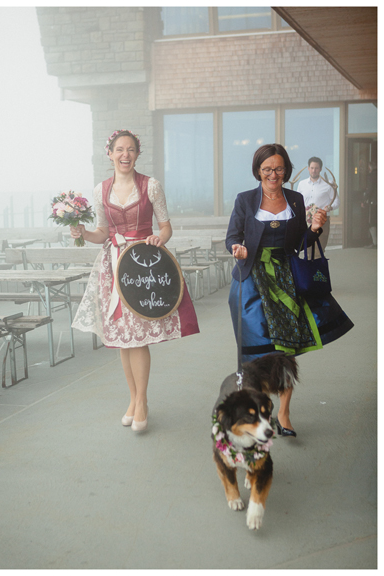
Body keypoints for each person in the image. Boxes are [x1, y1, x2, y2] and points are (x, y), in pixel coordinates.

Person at [70, 129, 200, 432]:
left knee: (138, 335)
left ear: (137, 154)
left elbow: (166, 227)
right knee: (122, 338)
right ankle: (133, 398)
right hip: (113, 264)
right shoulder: (101, 190)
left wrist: (158, 237)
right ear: (110, 154)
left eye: (130, 150)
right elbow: (102, 232)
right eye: (119, 149)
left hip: (143, 266)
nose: (125, 155)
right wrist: (83, 233)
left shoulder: (151, 186)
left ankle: (142, 401)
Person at [226, 143, 353, 438]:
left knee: (287, 350)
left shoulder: (295, 200)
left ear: (286, 170)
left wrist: (316, 229)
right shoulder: (245, 200)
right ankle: (257, 409)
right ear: (258, 170)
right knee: (255, 352)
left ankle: (283, 412)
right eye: (267, 168)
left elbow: (301, 243)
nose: (273, 174)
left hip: (285, 278)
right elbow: (232, 236)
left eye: (279, 168)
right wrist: (237, 248)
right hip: (251, 279)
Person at [297, 156, 338, 248]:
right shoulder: (301, 184)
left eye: (316, 168)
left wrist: (330, 207)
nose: (313, 170)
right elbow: (298, 202)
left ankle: (319, 262)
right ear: (308, 168)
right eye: (311, 168)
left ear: (320, 169)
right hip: (306, 221)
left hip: (321, 220)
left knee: (320, 248)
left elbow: (337, 202)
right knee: (306, 247)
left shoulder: (328, 184)